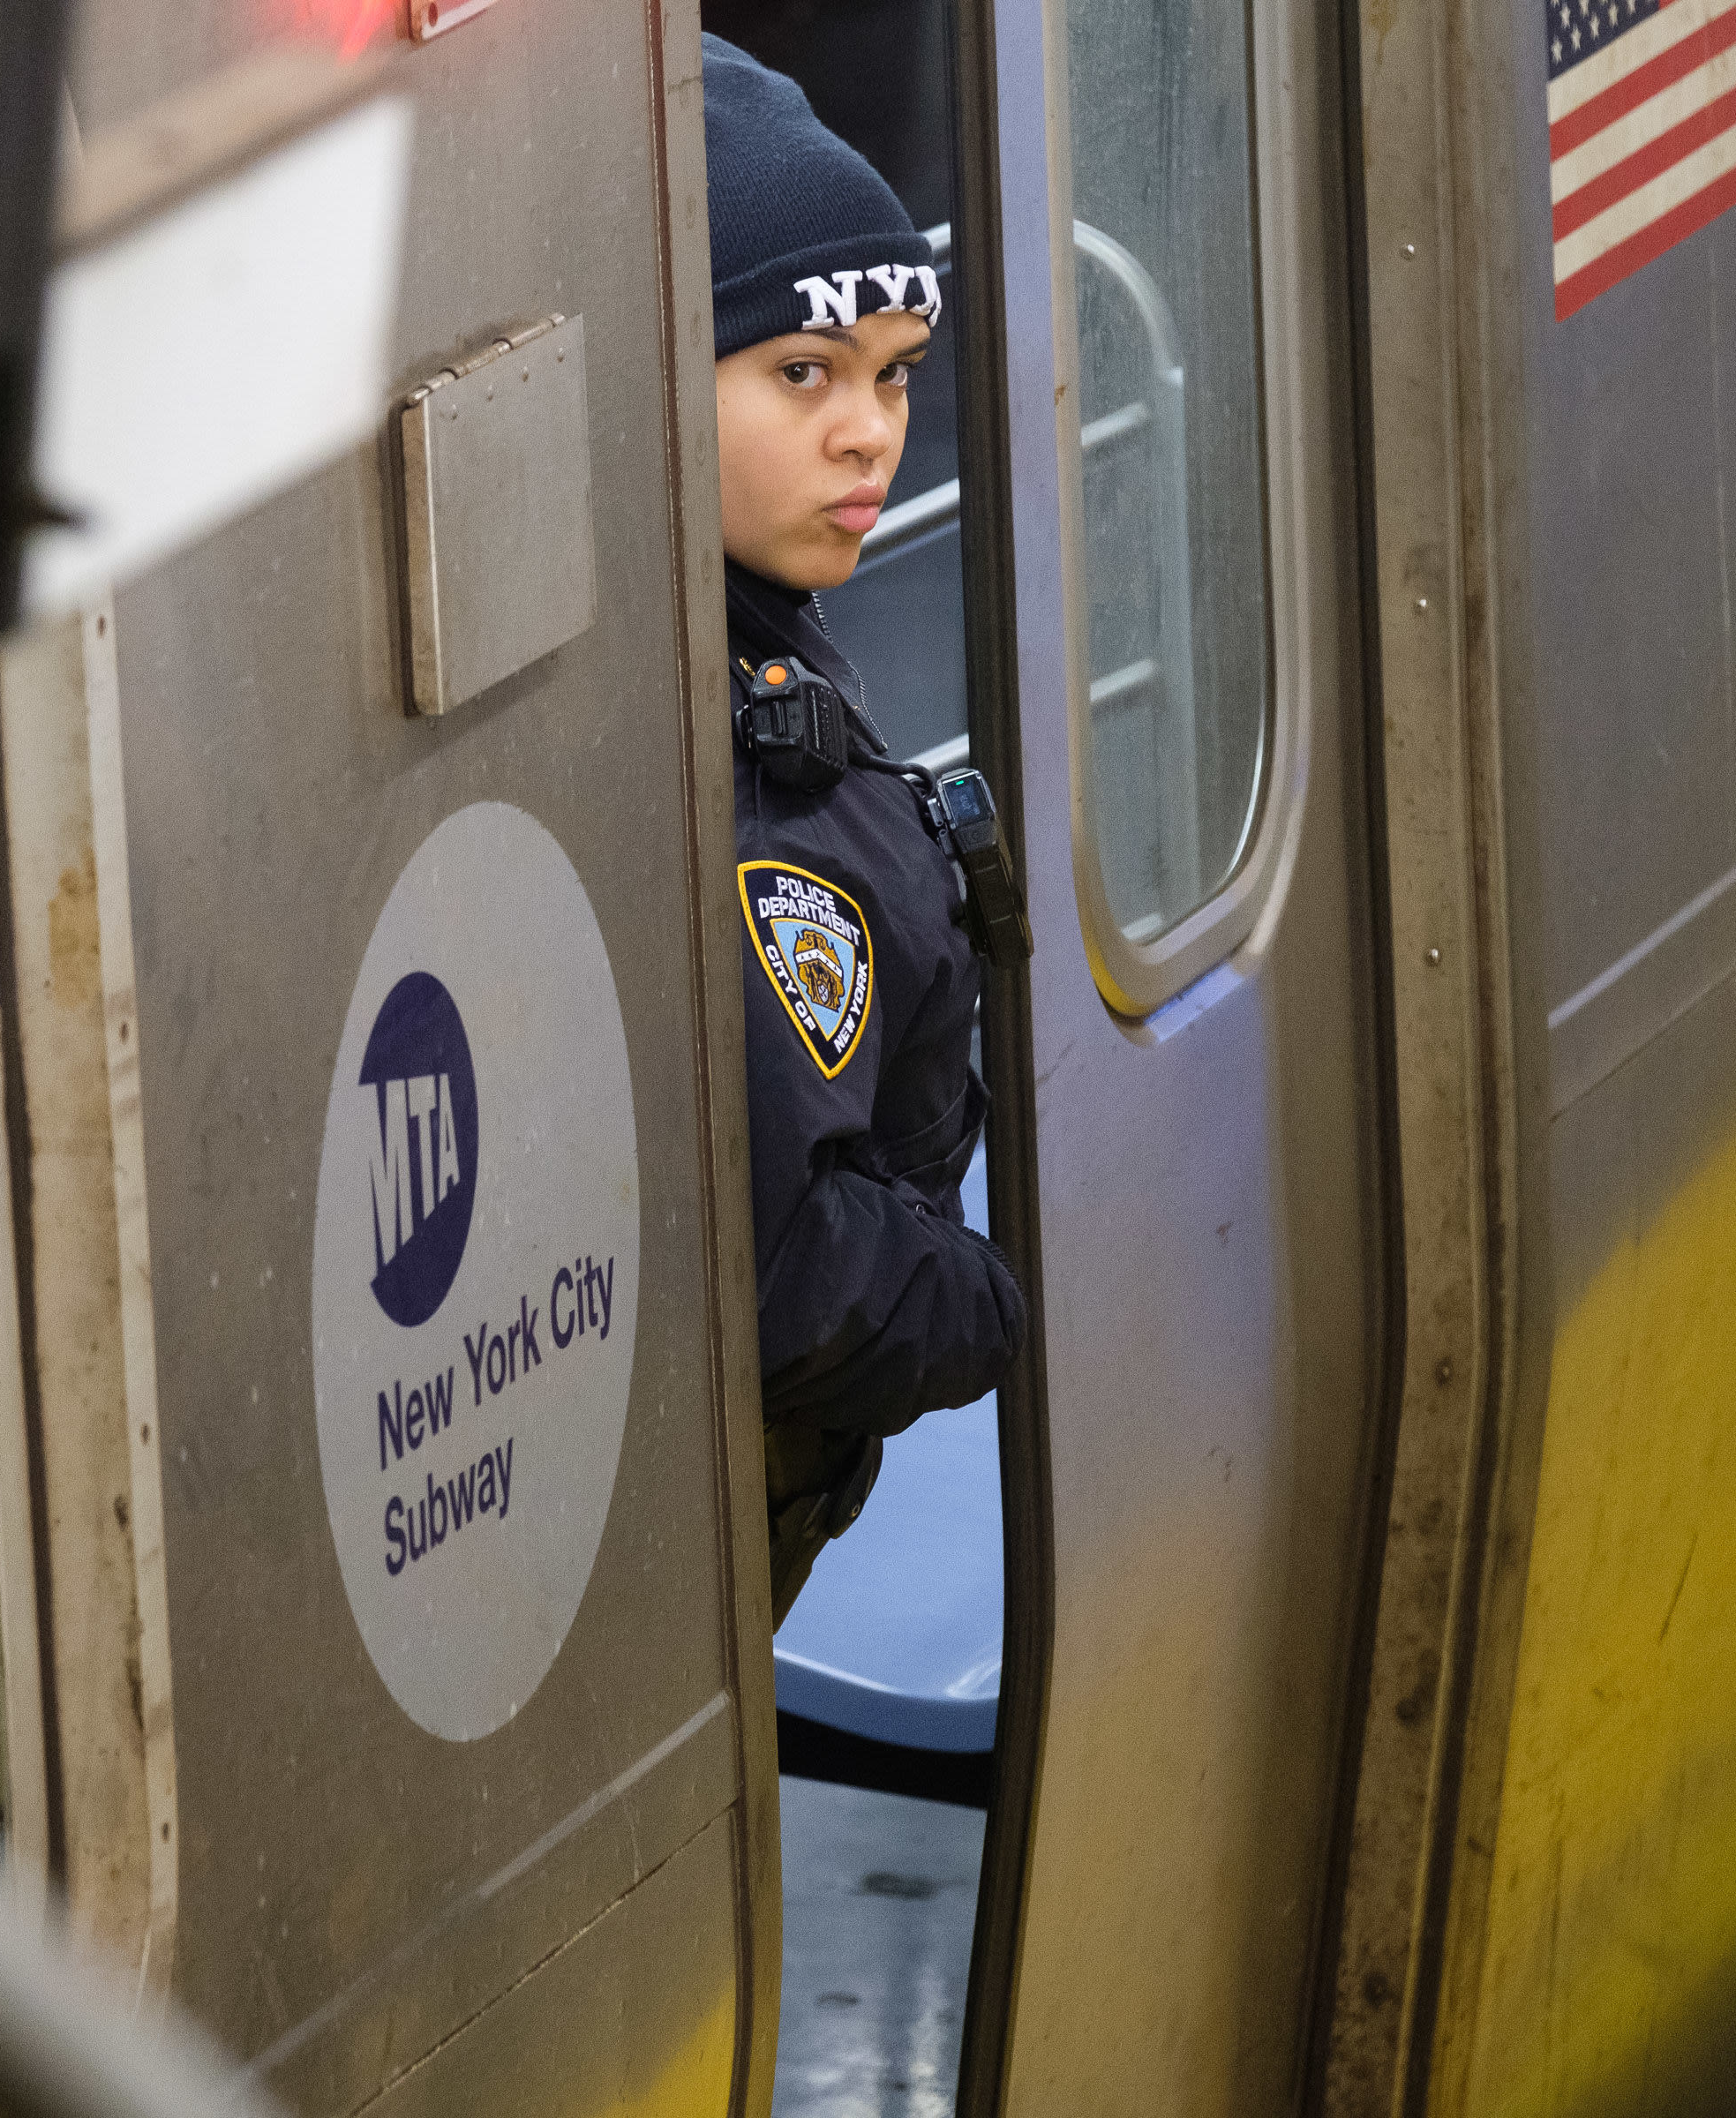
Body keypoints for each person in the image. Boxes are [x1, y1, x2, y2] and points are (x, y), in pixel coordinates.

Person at [703, 34, 1028, 1620]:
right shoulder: (763, 789)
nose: (870, 435)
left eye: (894, 375)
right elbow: (788, 1268)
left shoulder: (754, 624)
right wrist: (982, 1307)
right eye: (800, 375)